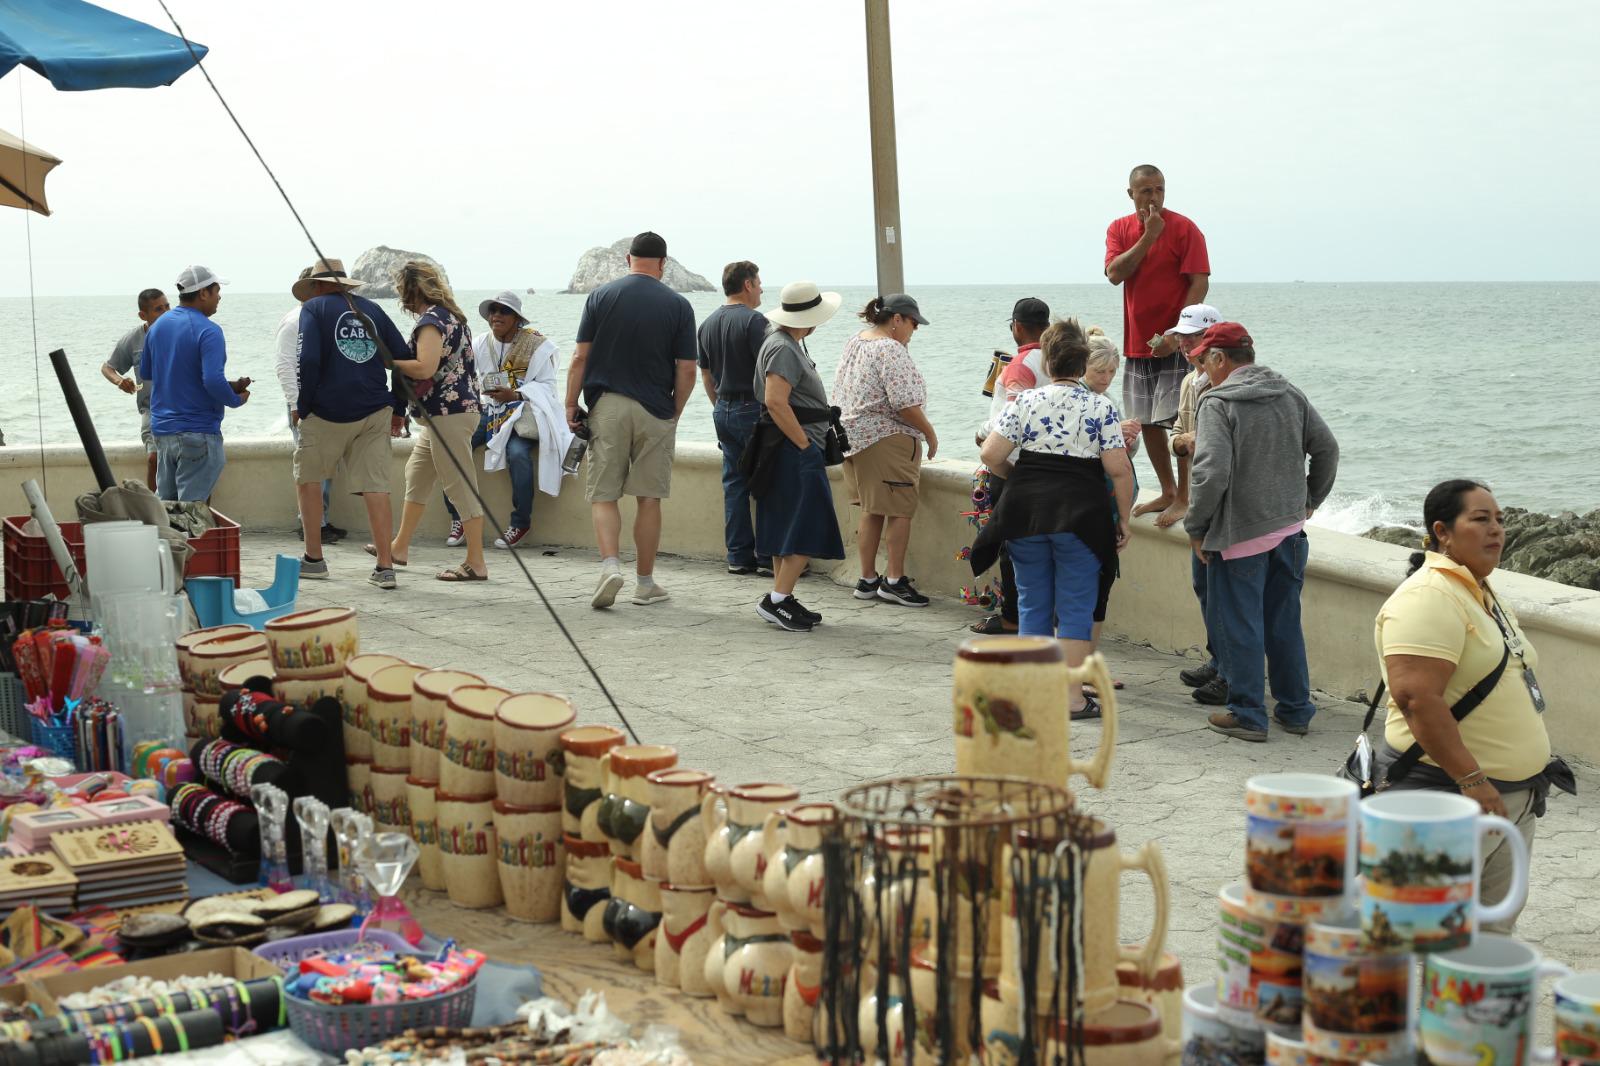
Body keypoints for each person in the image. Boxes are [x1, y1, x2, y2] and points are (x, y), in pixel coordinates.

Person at [1373, 479, 1570, 933]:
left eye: (1499, 519)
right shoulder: (1429, 597)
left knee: (1487, 938)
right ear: (1442, 531)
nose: (1496, 530)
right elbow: (1417, 700)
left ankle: (1465, 1008)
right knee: (1421, 932)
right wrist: (1473, 781)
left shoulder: (1478, 589)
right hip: (1453, 797)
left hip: (1508, 799)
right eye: (1480, 519)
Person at [1184, 322, 1339, 742]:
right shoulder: (1290, 393)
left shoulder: (1218, 403)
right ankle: (1295, 709)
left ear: (1219, 359)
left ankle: (1248, 713)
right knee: (1283, 624)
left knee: (1240, 627)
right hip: (1289, 531)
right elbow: (1327, 449)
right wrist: (1308, 502)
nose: (1203, 368)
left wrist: (1197, 526)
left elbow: (1211, 470)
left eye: (1204, 360)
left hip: (1240, 536)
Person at [973, 319, 1134, 720]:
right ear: (1082, 366)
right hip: (1081, 516)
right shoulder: (1100, 406)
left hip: (1026, 514)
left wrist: (1023, 480)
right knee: (1077, 607)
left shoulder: (1025, 402)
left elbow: (991, 455)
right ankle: (1071, 700)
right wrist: (1124, 519)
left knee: (1032, 604)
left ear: (1048, 360)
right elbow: (1118, 470)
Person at [564, 231, 697, 610]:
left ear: (628, 259)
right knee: (649, 499)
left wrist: (570, 403)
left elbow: (579, 358)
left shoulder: (601, 296)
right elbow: (686, 368)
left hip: (607, 405)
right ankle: (645, 583)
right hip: (656, 409)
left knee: (604, 494)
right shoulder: (678, 304)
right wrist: (677, 409)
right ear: (663, 263)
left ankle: (609, 566)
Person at [290, 257, 413, 588]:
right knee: (376, 486)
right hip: (374, 411)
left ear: (316, 287)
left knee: (310, 479)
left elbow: (309, 359)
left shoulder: (313, 309)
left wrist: (304, 405)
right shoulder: (372, 309)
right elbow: (402, 360)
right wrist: (399, 407)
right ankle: (385, 567)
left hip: (326, 411)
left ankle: (314, 559)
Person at [1104, 164, 1209, 526]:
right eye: (1146, 191)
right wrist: (1148, 237)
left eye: (1159, 190)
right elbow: (1116, 274)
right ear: (1130, 193)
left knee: (1180, 420)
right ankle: (1166, 490)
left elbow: (1199, 283)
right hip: (1137, 344)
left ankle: (1184, 496)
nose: (1153, 197)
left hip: (1177, 342)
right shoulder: (1119, 229)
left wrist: (1177, 333)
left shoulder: (1185, 228)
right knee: (1147, 421)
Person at [376, 261, 488, 582]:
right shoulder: (454, 318)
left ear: (411, 291)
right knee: (418, 473)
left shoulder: (431, 322)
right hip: (447, 412)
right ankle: (399, 547)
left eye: (401, 292)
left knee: (458, 484)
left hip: (447, 414)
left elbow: (425, 368)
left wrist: (386, 360)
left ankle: (476, 561)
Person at [750, 282, 846, 633]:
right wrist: (805, 445)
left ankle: (782, 595)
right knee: (807, 523)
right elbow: (776, 401)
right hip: (794, 449)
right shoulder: (784, 349)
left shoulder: (783, 344)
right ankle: (776, 600)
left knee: (786, 523)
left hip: (789, 447)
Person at [442, 291, 569, 550]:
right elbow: (465, 375)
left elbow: (547, 386)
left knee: (518, 455)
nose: (496, 316)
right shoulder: (480, 343)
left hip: (521, 412)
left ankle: (520, 522)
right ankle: (459, 517)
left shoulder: (537, 345)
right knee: (452, 449)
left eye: (504, 311)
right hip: (487, 411)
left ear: (517, 319)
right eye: (493, 311)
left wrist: (517, 394)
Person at [835, 294, 938, 607]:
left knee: (872, 508)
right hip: (885, 438)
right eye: (913, 322)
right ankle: (893, 580)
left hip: (854, 438)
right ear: (897, 319)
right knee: (899, 510)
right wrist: (930, 434)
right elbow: (905, 404)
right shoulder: (889, 349)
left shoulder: (857, 340)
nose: (915, 329)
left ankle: (867, 579)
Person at [967, 297, 1049, 635]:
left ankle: (1013, 617)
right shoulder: (1058, 360)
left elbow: (1011, 418)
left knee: (1011, 546)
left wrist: (983, 434)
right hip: (1052, 467)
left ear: (1016, 326)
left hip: (1014, 466)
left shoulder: (1018, 365)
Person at [1161, 303, 1228, 704]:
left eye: (1193, 337)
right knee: (1204, 586)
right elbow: (1179, 435)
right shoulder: (1189, 383)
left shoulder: (1227, 383)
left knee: (1225, 591)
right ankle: (1218, 660)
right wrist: (1180, 443)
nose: (1185, 343)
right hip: (1199, 496)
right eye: (1182, 337)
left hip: (1222, 502)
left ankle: (1229, 672)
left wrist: (1188, 442)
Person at [139, 266, 250, 502]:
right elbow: (211, 379)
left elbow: (149, 373)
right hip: (197, 433)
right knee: (190, 514)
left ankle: (164, 541)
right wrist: (235, 400)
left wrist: (227, 385)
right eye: (217, 291)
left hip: (163, 434)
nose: (219, 297)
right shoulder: (209, 331)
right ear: (203, 293)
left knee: (168, 512)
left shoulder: (156, 327)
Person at [698, 261, 771, 577]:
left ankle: (739, 555)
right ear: (748, 284)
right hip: (753, 407)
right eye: (759, 283)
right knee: (769, 481)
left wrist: (719, 405)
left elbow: (705, 374)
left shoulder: (708, 324)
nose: (762, 289)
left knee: (734, 482)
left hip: (723, 408)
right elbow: (770, 371)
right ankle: (770, 557)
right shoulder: (756, 323)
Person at [275, 267, 341, 545]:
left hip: (324, 405)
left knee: (323, 468)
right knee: (312, 469)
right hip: (305, 406)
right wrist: (295, 404)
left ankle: (320, 520)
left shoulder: (319, 319)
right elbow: (284, 365)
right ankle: (311, 524)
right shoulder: (294, 322)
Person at [101, 288, 168, 491]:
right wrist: (119, 381)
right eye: (158, 309)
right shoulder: (134, 339)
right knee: (153, 459)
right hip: (151, 409)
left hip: (180, 407)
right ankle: (155, 510)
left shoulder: (179, 333)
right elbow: (107, 367)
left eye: (167, 307)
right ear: (143, 315)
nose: (166, 313)